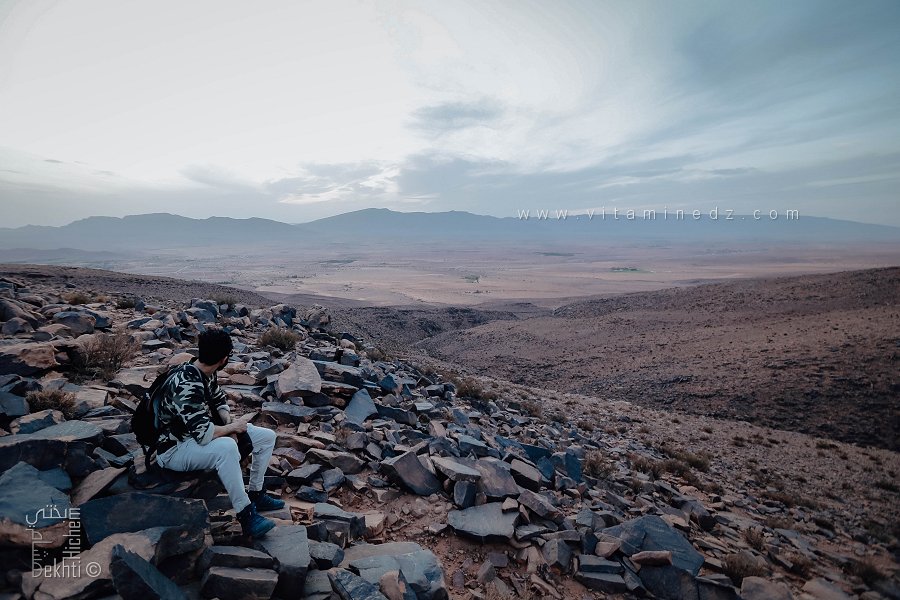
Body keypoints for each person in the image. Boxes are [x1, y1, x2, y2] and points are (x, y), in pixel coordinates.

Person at [154, 328, 283, 538]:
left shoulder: (203, 370)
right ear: (224, 359)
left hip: (193, 436)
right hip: (173, 449)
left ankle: (256, 493)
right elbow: (204, 435)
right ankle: (246, 514)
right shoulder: (187, 384)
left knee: (267, 437)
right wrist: (232, 429)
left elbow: (219, 400)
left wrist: (228, 423)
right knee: (227, 448)